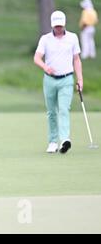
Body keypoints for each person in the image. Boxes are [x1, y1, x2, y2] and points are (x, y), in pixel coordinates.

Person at [33, 10, 83, 154]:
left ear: (64, 23)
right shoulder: (45, 39)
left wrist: (80, 79)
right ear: (52, 25)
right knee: (51, 112)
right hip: (49, 80)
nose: (59, 28)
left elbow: (76, 59)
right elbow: (37, 58)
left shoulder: (73, 38)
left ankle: (65, 140)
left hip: (67, 79)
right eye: (56, 26)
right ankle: (53, 142)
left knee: (64, 109)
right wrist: (45, 67)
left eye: (60, 25)